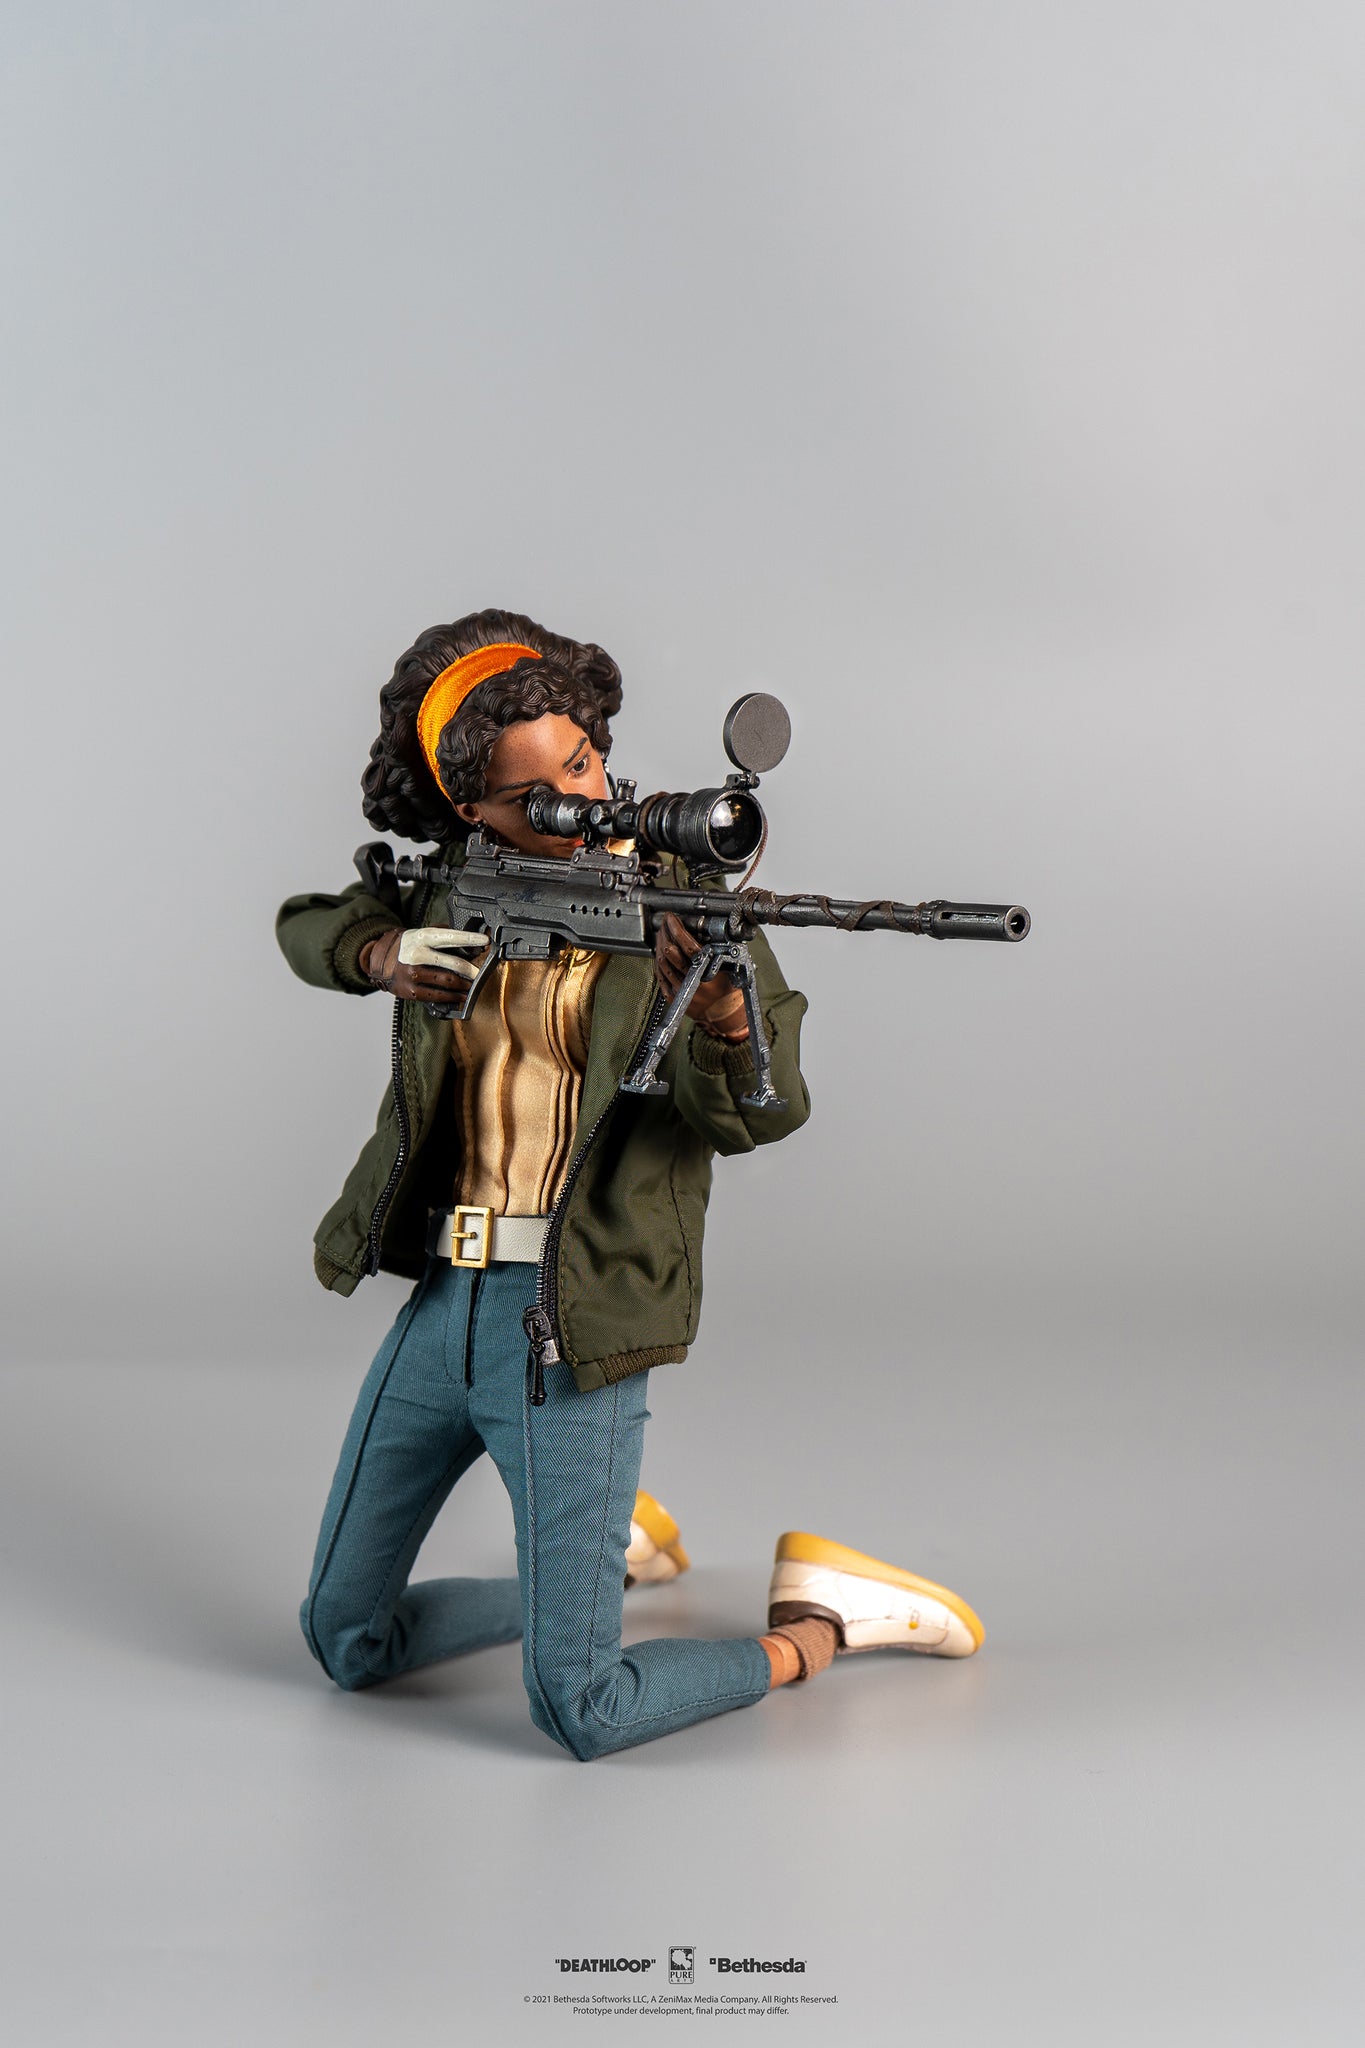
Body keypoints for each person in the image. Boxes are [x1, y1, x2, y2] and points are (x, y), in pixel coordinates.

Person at [277, 608, 983, 1761]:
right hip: (443, 1304)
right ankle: (603, 1565)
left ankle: (818, 1627)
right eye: (537, 793)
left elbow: (764, 1113)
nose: (583, 797)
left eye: (584, 762)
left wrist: (724, 1014)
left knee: (582, 1705)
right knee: (344, 1635)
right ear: (472, 811)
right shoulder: (454, 888)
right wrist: (380, 953)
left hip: (573, 1321)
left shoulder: (680, 903)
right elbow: (311, 921)